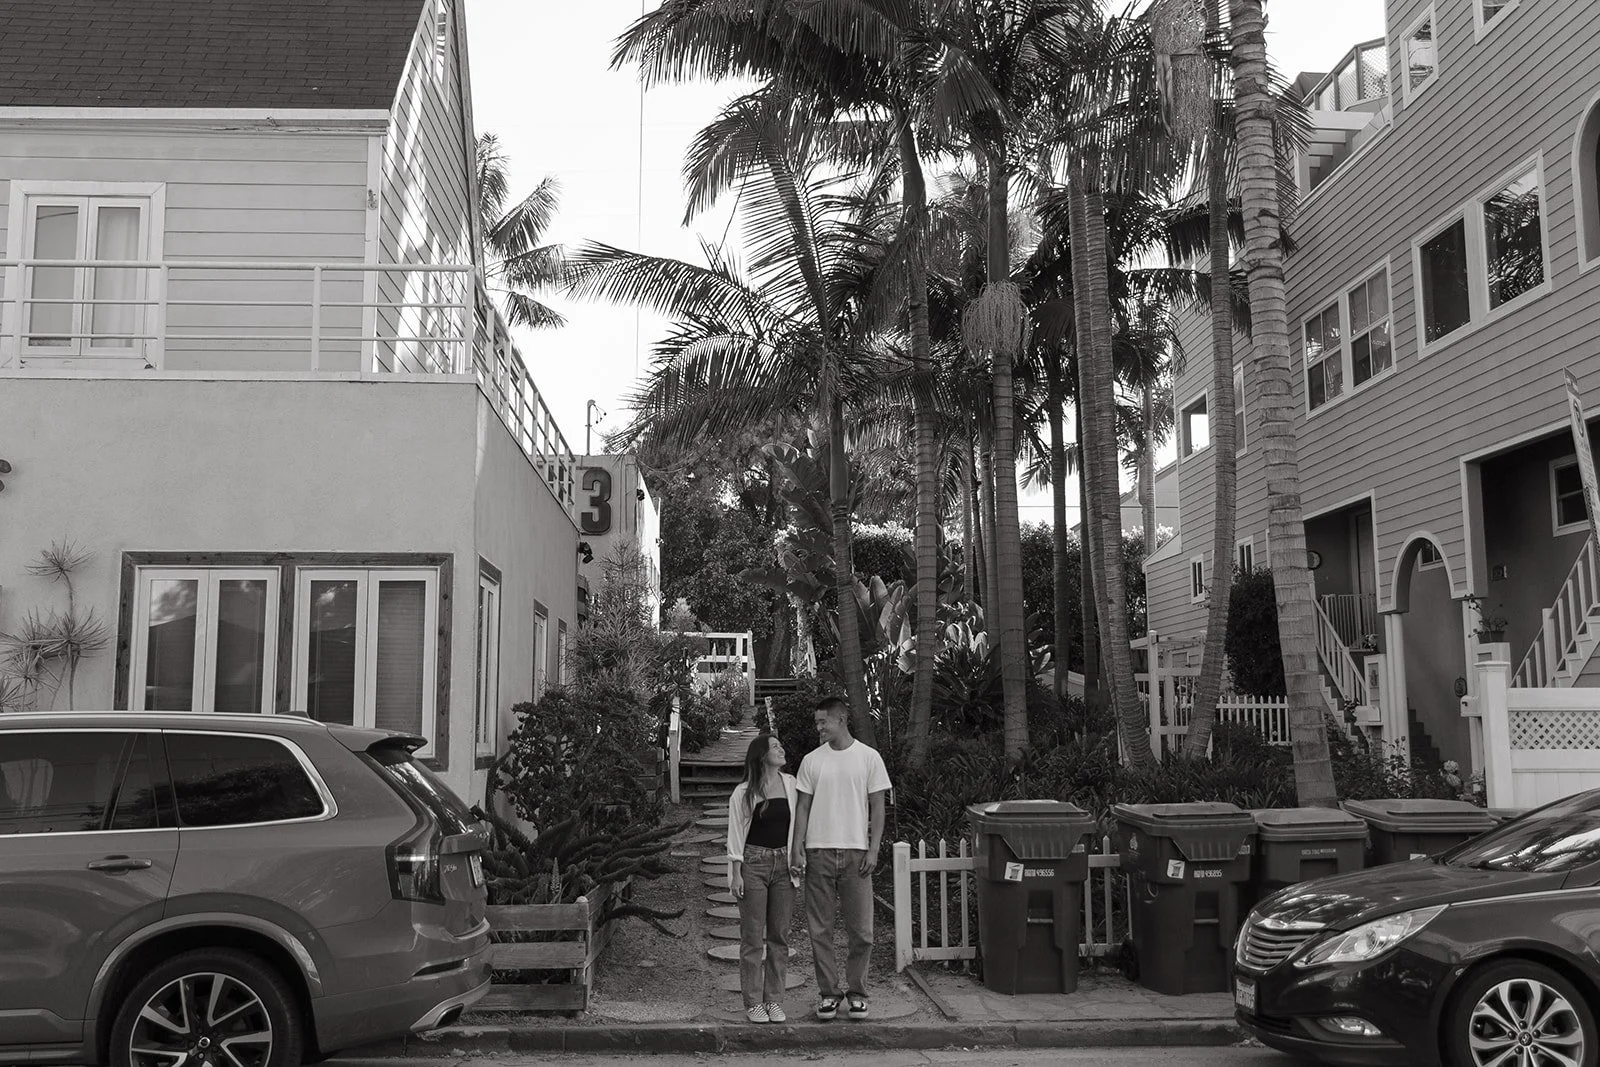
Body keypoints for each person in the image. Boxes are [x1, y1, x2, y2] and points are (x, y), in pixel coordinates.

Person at [792, 696, 890, 1021]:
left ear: (841, 720)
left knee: (862, 931)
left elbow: (878, 807)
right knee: (819, 930)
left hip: (856, 854)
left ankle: (858, 993)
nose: (818, 727)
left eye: (823, 722)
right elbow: (802, 808)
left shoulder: (868, 758)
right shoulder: (811, 761)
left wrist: (873, 848)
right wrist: (797, 847)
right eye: (817, 722)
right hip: (818, 852)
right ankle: (829, 994)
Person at [724, 731, 799, 1024]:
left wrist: (797, 857)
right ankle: (754, 1001)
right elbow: (735, 834)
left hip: (784, 866)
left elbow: (800, 824)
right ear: (761, 756)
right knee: (753, 938)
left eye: (780, 744)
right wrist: (735, 872)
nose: (781, 749)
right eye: (774, 746)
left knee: (780, 937)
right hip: (753, 864)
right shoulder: (744, 792)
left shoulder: (792, 784)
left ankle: (774, 1000)